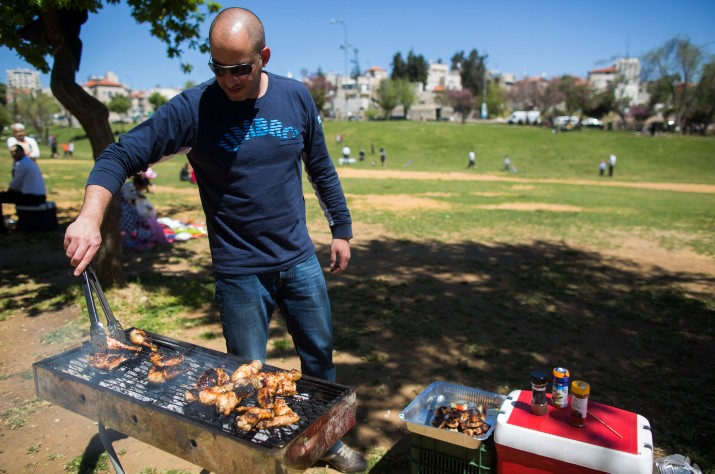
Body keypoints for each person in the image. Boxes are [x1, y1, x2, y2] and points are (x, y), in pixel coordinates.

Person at [63, 7, 365, 472]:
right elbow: (121, 154)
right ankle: (244, 459)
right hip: (239, 272)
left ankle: (324, 442)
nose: (229, 80)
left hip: (299, 261)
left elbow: (320, 167)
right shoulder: (194, 109)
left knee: (320, 363)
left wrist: (340, 229)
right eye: (218, 68)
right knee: (243, 376)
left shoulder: (296, 98)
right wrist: (89, 215)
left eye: (240, 67)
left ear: (263, 56)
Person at [1, 145, 47, 233]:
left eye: (16, 151)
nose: (14, 154)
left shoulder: (22, 164)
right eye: (12, 152)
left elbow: (15, 184)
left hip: (31, 197)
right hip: (40, 195)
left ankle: (1, 228)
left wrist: (6, 193)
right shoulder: (29, 162)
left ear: (22, 152)